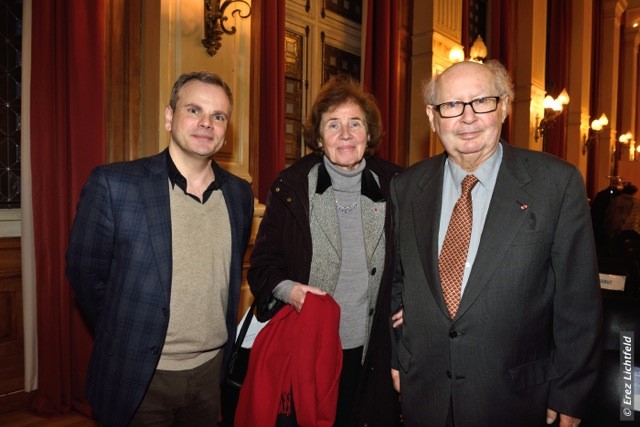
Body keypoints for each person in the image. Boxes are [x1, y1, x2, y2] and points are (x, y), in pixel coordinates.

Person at [389, 60, 601, 427]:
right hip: (425, 394)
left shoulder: (556, 184)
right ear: (432, 116)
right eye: (452, 105)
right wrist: (398, 355)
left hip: (515, 400)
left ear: (504, 106)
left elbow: (578, 301)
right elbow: (396, 282)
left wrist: (571, 392)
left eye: (482, 101)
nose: (467, 118)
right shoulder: (406, 187)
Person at [66, 71, 254, 426]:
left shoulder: (239, 195)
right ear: (169, 116)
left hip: (209, 374)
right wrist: (126, 331)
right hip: (140, 374)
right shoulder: (115, 185)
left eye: (218, 116)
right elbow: (85, 273)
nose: (206, 124)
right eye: (194, 110)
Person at [247, 75, 402, 426]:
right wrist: (292, 291)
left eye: (355, 123)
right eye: (333, 124)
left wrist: (412, 304)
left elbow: (418, 261)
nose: (345, 134)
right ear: (318, 138)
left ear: (369, 134)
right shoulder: (291, 188)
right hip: (308, 346)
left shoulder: (399, 186)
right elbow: (262, 267)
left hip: (374, 349)